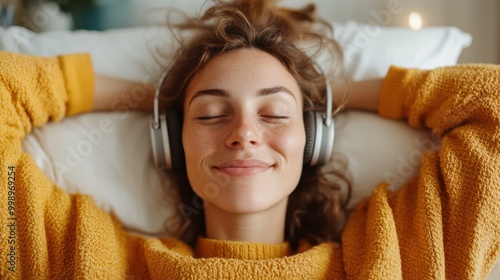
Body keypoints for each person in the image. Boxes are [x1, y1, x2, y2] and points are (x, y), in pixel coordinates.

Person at [0, 0, 499, 279]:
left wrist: (327, 94)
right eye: (212, 114)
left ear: (314, 139)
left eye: (276, 114)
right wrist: (151, 99)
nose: (243, 134)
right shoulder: (92, 260)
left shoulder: (394, 256)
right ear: (172, 143)